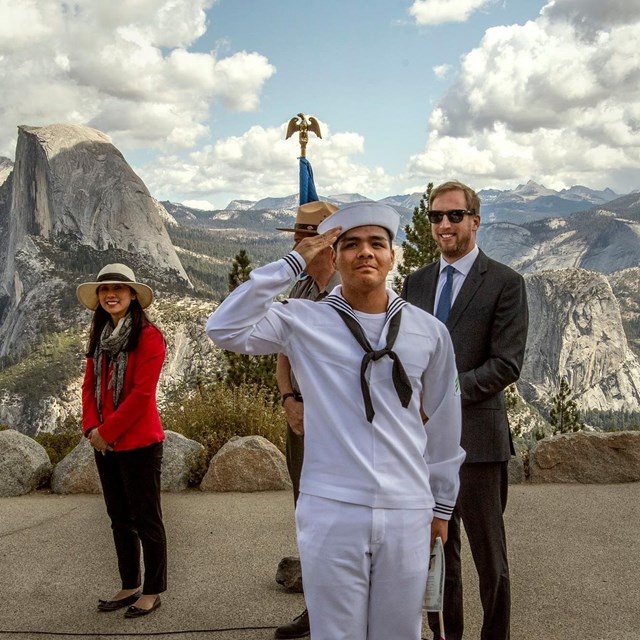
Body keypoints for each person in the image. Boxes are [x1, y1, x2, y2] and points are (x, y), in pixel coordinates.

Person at [207, 202, 465, 640]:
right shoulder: (301, 320)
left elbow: (444, 422)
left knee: (399, 633)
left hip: (407, 507)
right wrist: (294, 261)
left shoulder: (428, 331)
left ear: (392, 256)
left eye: (376, 244)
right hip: (332, 506)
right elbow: (224, 327)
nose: (365, 252)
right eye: (351, 245)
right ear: (335, 256)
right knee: (334, 634)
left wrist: (442, 504)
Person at [401, 180, 529, 640]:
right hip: (423, 446)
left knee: (490, 562)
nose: (444, 225)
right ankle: (443, 636)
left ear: (475, 219)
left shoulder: (506, 283)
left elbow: (506, 364)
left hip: (478, 442)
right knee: (439, 556)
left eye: (454, 215)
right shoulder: (415, 282)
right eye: (436, 216)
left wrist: (440, 395)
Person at [77, 263, 167, 619]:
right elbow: (88, 387)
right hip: (104, 443)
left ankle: (153, 589)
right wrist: (91, 429)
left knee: (147, 517)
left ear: (132, 295)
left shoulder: (149, 336)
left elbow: (143, 394)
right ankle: (129, 583)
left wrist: (106, 432)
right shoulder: (99, 336)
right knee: (118, 517)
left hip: (140, 442)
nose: (110, 294)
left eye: (118, 288)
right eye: (104, 290)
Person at [274, 200, 340, 639]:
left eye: (306, 238)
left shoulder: (346, 291)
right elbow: (283, 350)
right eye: (298, 237)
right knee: (308, 513)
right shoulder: (300, 291)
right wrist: (288, 399)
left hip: (335, 420)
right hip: (299, 415)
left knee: (339, 514)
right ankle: (315, 607)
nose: (299, 245)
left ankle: (343, 608)